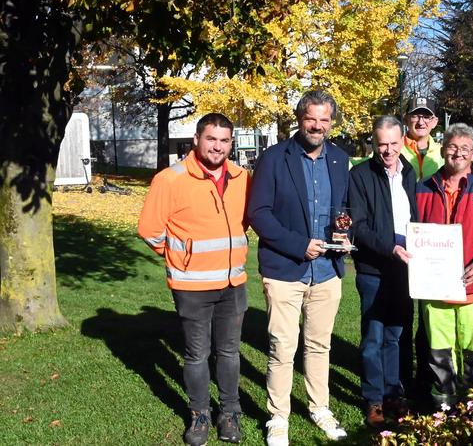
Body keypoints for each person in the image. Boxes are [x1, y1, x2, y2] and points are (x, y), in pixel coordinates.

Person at [138, 113, 249, 446]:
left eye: (224, 140)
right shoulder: (170, 179)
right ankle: (199, 415)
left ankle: (229, 413)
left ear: (231, 144)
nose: (217, 147)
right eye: (211, 139)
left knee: (229, 353)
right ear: (197, 140)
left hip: (233, 283)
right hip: (192, 286)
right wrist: (178, 256)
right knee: (196, 355)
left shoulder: (242, 177)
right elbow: (149, 230)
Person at [247, 90, 349, 446]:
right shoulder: (274, 158)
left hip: (327, 271)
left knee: (320, 346)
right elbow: (258, 213)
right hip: (285, 269)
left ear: (331, 122)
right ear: (299, 119)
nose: (317, 126)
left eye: (324, 119)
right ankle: (278, 416)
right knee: (282, 346)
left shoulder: (339, 158)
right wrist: (297, 245)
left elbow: (344, 208)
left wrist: (343, 233)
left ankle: (319, 407)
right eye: (311, 119)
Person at [415, 123, 473, 408]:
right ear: (443, 150)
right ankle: (445, 407)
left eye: (465, 148)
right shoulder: (422, 189)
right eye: (453, 147)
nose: (458, 153)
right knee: (439, 353)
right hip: (435, 290)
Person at [348, 116, 417, 427]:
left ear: (402, 141)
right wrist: (390, 247)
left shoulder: (411, 173)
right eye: (381, 144)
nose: (388, 150)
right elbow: (358, 227)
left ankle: (395, 394)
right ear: (373, 144)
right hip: (374, 268)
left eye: (393, 143)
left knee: (398, 335)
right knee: (374, 338)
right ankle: (374, 400)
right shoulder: (360, 175)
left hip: (405, 269)